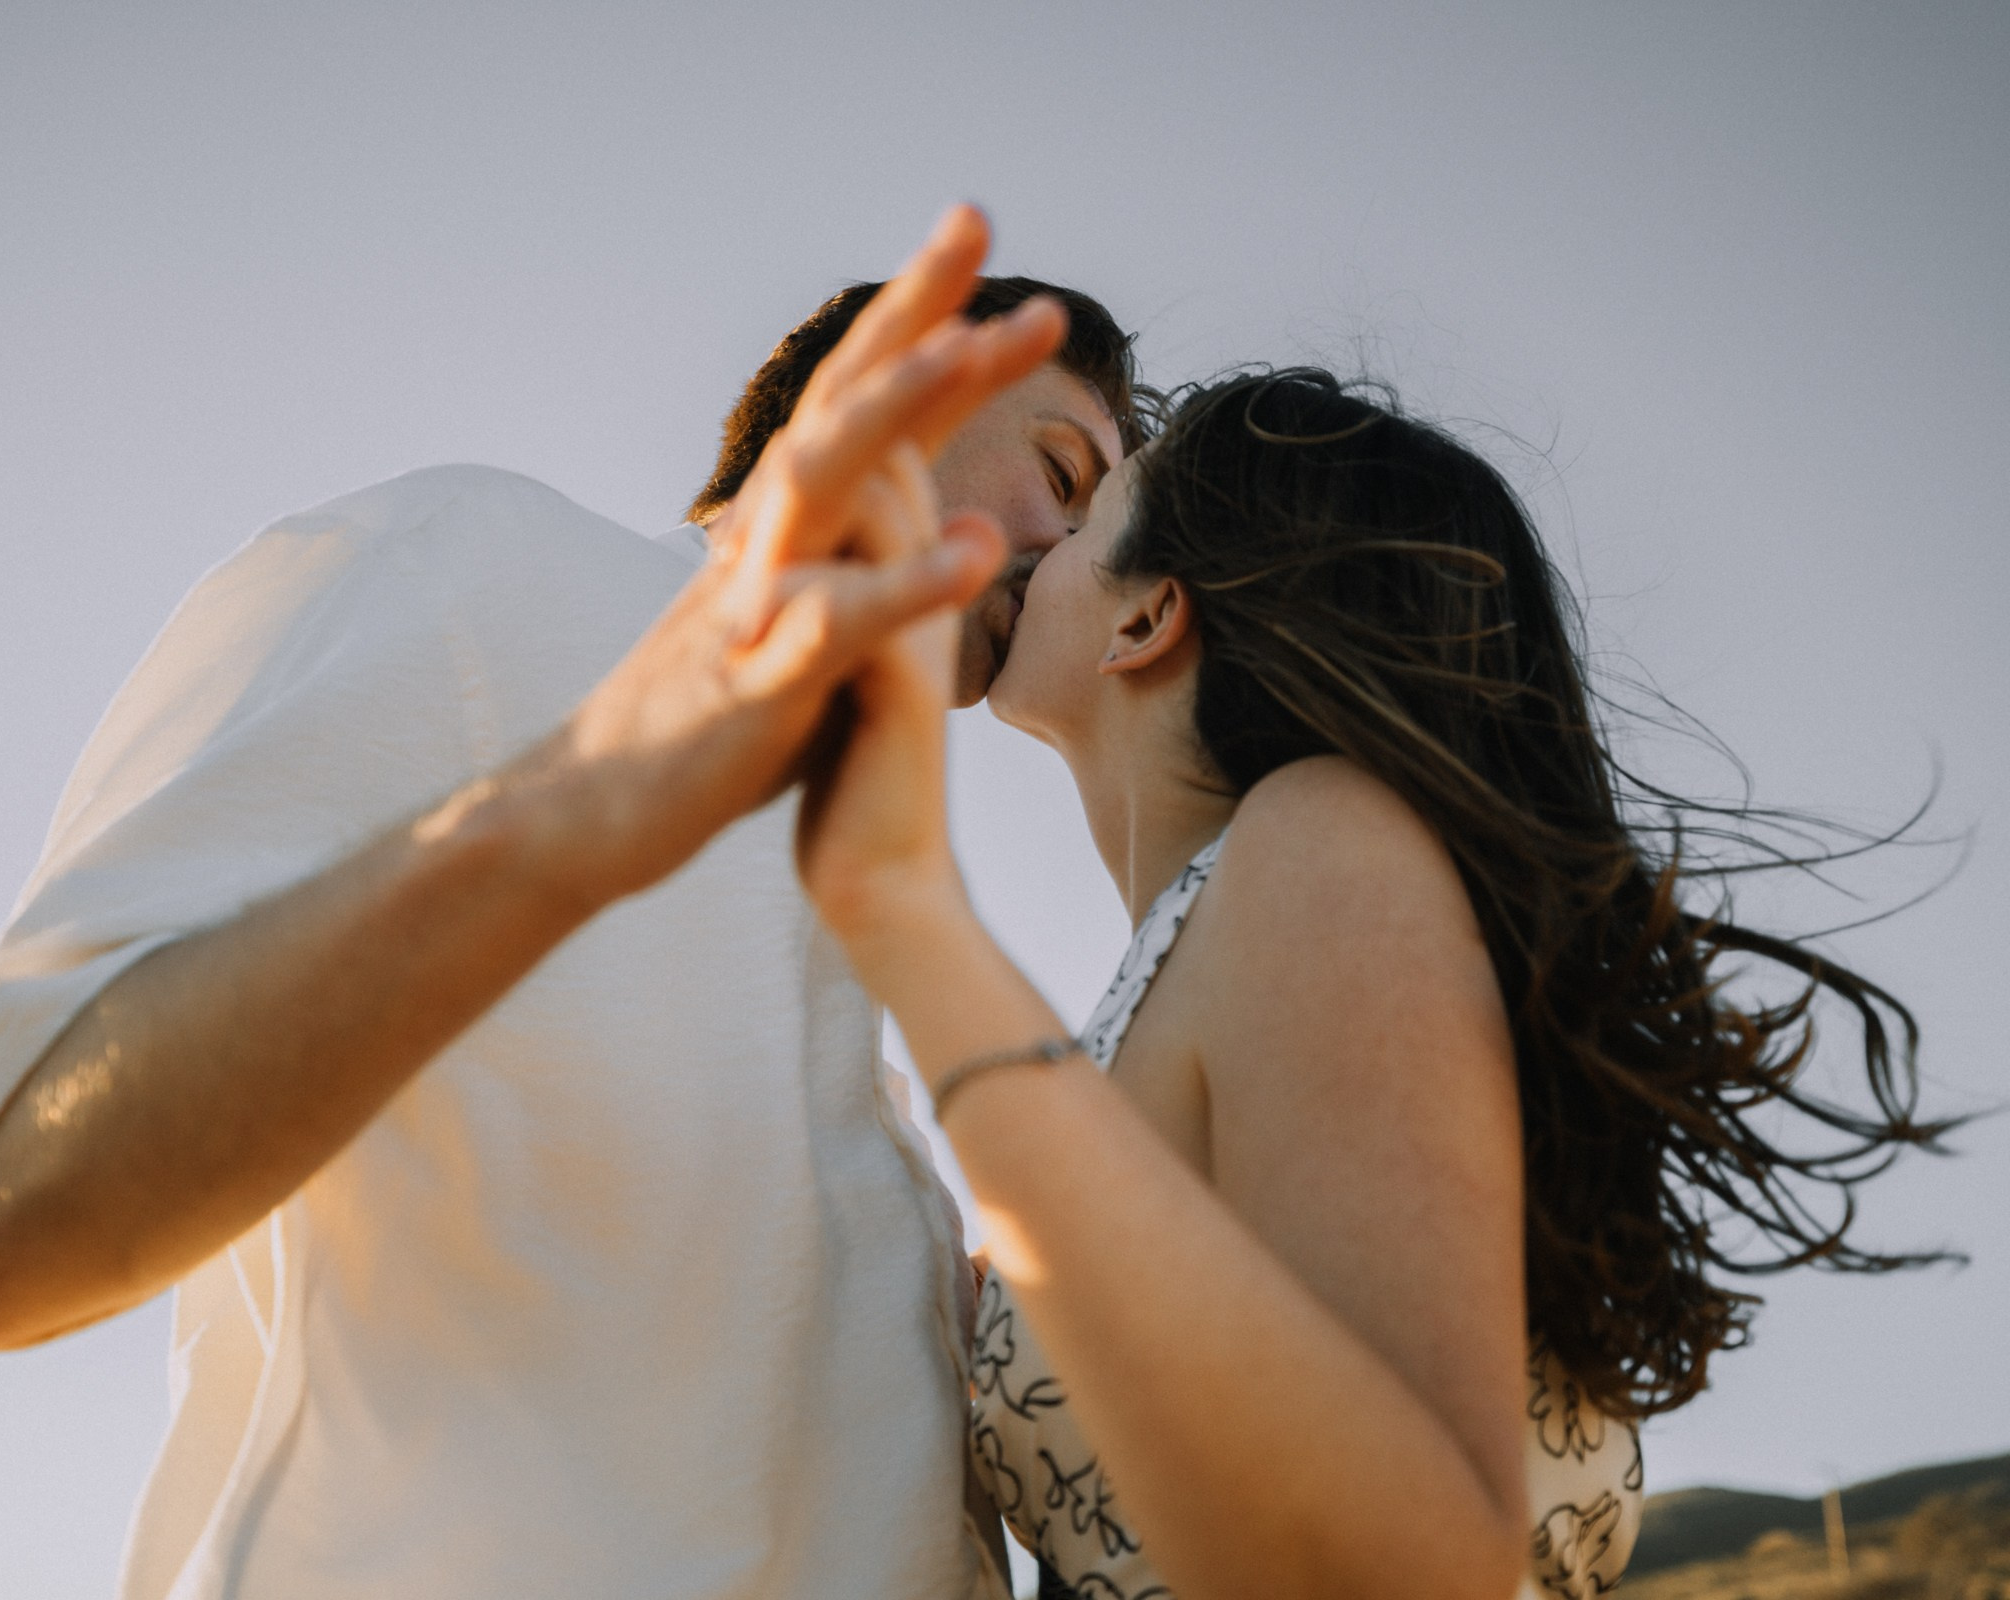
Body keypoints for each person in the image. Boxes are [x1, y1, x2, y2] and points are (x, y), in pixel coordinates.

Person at [0, 208, 1142, 1599]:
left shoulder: (885, 1035)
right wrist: (572, 815)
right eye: (1064, 470)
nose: (1080, 548)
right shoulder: (480, 560)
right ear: (903, 373)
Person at [793, 368, 1947, 1600]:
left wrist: (918, 927)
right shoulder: (1230, 947)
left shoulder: (1325, 842)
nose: (1039, 547)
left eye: (1092, 512)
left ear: (1147, 619)